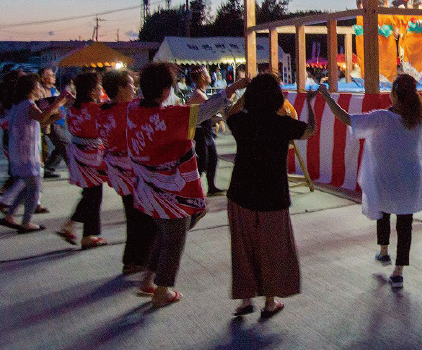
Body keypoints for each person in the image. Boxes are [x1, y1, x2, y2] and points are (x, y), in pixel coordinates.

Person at [129, 62, 248, 308]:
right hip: (172, 192)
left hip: (148, 189)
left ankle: (148, 280)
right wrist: (236, 86)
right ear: (164, 91)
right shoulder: (170, 117)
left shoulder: (134, 110)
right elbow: (205, 110)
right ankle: (162, 289)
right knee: (175, 236)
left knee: (171, 231)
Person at [318, 74, 422, 289]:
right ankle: (398, 272)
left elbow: (346, 118)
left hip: (385, 178)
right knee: (405, 224)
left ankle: (384, 252)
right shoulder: (421, 116)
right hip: (410, 179)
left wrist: (326, 96)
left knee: (382, 211)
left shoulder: (381, 117)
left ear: (394, 94)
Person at [225, 73, 316, 319]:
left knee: (243, 249)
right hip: (272, 196)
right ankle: (269, 301)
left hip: (240, 193)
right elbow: (310, 130)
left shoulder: (242, 122)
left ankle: (245, 300)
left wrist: (245, 93)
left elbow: (228, 115)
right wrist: (309, 103)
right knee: (272, 249)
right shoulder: (282, 124)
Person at [98, 69, 157, 274]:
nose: (134, 88)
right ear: (121, 89)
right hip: (133, 169)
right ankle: (141, 260)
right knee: (144, 217)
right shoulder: (132, 109)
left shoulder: (103, 110)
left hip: (117, 170)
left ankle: (134, 259)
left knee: (134, 215)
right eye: (131, 84)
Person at [0, 73, 72, 233]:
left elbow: (40, 120)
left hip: (20, 152)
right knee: (35, 186)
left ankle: (10, 216)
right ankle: (26, 222)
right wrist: (58, 103)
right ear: (31, 89)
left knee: (27, 186)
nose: (40, 89)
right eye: (38, 86)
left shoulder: (22, 105)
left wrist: (52, 119)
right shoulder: (29, 105)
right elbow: (40, 117)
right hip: (27, 153)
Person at [57, 72, 109, 249]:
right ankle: (88, 235)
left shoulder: (73, 109)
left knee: (90, 194)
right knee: (93, 196)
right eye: (98, 87)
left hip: (78, 154)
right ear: (93, 90)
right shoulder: (97, 109)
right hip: (93, 155)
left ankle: (72, 226)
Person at [186, 67, 224, 196]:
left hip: (205, 131)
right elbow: (192, 116)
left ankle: (211, 187)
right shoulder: (198, 95)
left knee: (212, 159)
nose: (210, 76)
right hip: (200, 132)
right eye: (207, 74)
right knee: (203, 162)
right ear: (202, 77)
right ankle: (193, 189)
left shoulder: (200, 93)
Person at [38, 68, 67, 179]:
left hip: (60, 121)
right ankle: (74, 169)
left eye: (54, 75)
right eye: (51, 75)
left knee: (60, 147)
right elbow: (44, 106)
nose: (54, 77)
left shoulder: (53, 88)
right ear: (44, 78)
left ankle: (49, 168)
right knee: (65, 145)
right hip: (52, 122)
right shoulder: (41, 90)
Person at [398, 0, 422, 80]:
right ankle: (417, 78)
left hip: (410, 39)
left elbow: (401, 20)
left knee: (409, 59)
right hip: (420, 40)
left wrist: (401, 10)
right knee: (418, 60)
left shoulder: (408, 14)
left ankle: (409, 77)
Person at [377, 0, 400, 83]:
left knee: (380, 60)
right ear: (386, 2)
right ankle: (390, 80)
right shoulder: (389, 13)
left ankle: (380, 79)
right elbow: (396, 30)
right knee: (390, 61)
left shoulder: (375, 12)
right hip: (389, 39)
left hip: (378, 39)